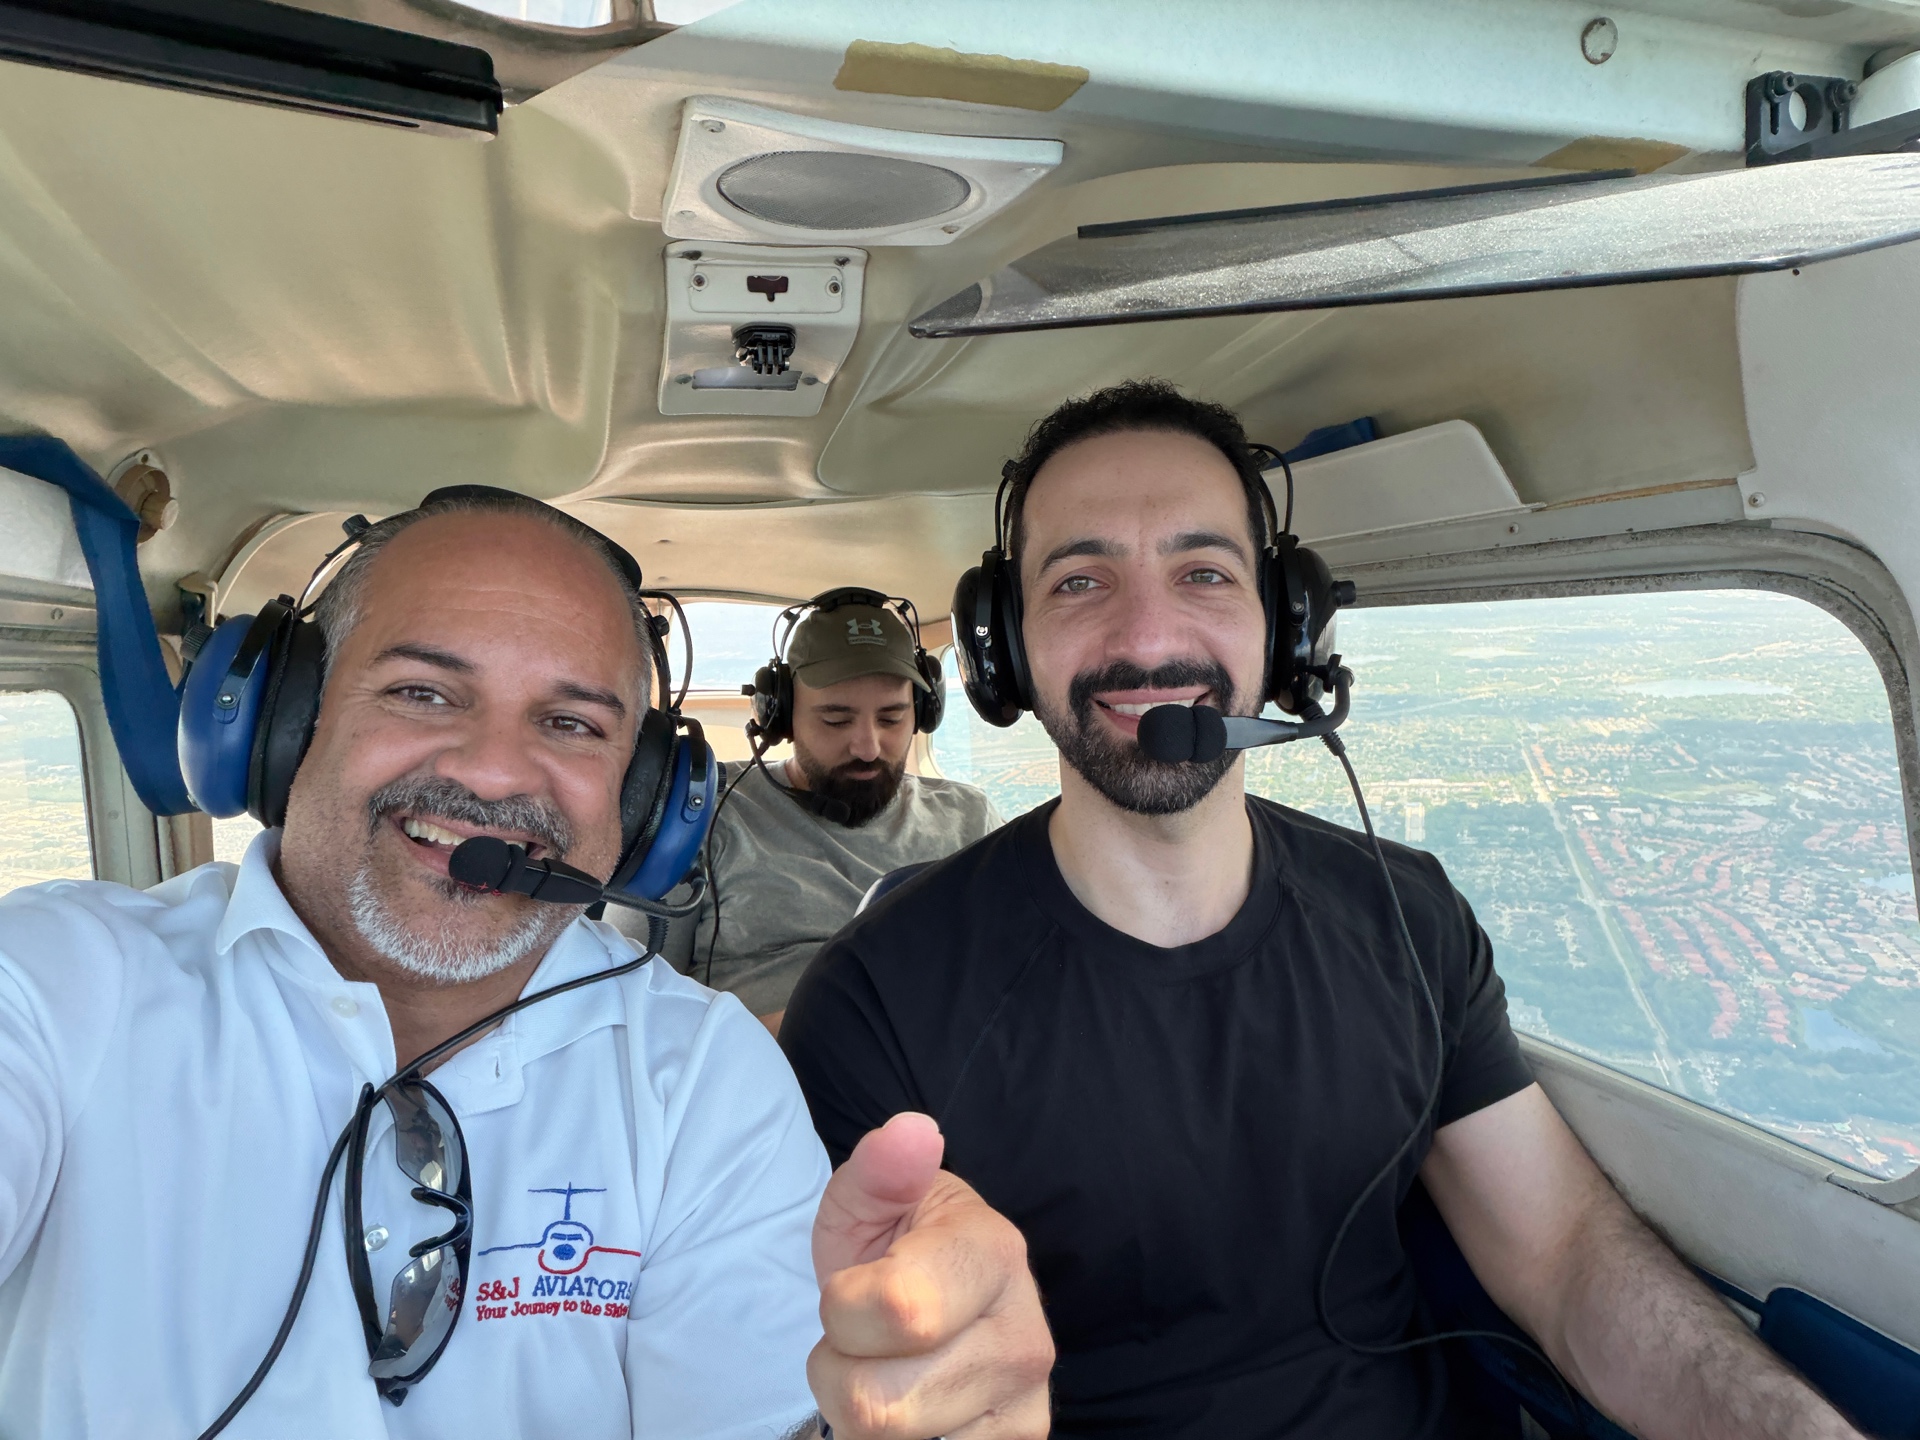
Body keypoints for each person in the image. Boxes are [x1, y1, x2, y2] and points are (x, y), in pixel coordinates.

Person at [779, 381, 1865, 1440]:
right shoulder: (877, 1002)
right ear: (1004, 652)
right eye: (1078, 582)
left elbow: (1569, 1258)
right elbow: (845, 1361)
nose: (1147, 632)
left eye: (1204, 571)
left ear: (1285, 630)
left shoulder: (1410, 915)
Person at [0, 488, 1050, 1439]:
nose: (495, 770)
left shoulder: (702, 1078)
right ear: (280, 723)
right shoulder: (58, 986)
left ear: (642, 806)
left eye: (570, 722)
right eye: (421, 692)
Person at [654, 589, 1000, 1033]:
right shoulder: (705, 811)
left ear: (923, 711)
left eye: (892, 719)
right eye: (836, 720)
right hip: (762, 1085)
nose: (868, 747)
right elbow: (632, 998)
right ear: (780, 717)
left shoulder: (970, 819)